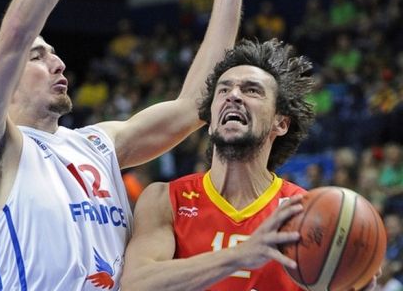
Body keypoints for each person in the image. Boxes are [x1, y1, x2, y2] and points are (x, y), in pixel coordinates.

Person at [0, 0, 255, 289]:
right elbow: (16, 32)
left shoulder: (98, 143)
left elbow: (195, 105)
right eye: (37, 57)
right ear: (4, 82)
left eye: (54, 54)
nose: (58, 64)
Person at [121, 39, 380, 290]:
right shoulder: (164, 199)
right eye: (224, 89)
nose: (233, 95)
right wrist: (240, 255)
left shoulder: (303, 214)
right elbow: (136, 284)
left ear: (281, 123)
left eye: (251, 90)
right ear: (210, 121)